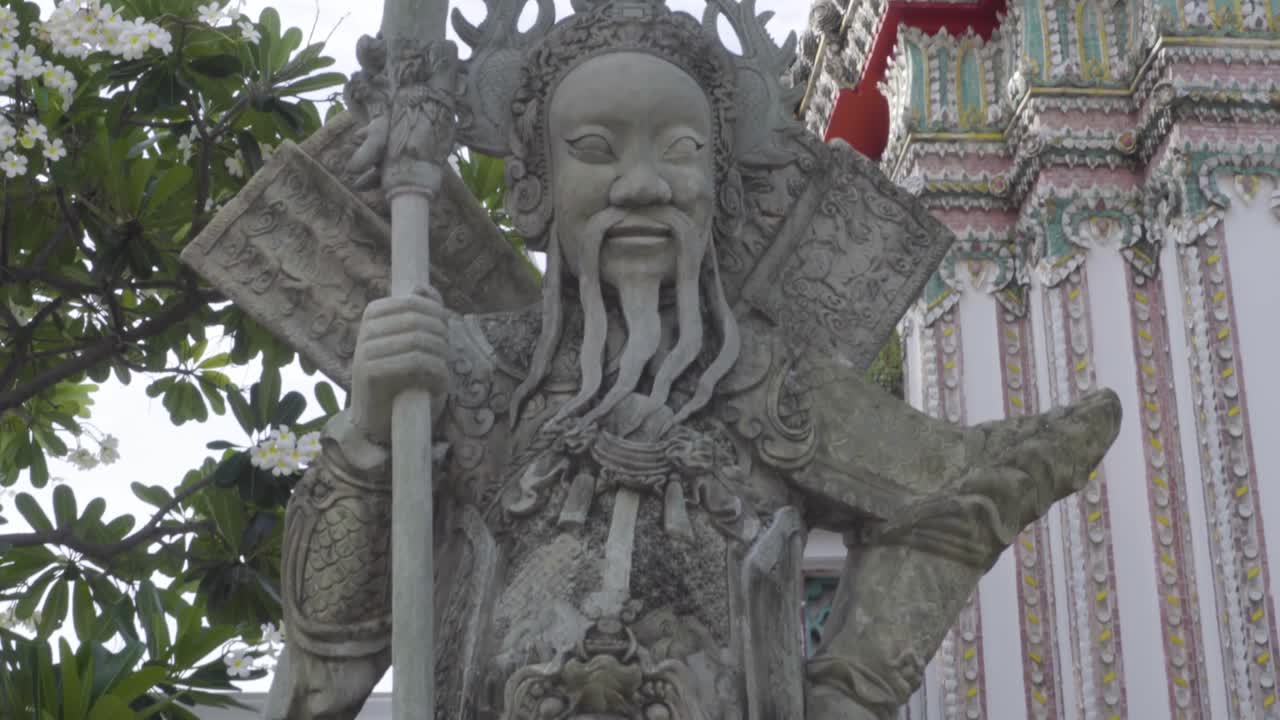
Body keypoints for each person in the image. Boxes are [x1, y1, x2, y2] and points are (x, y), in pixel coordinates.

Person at [267, 3, 1121, 718]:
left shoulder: (772, 383)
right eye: (597, 150)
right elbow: (329, 660)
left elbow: (956, 497)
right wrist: (370, 434)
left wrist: (847, 692)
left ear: (722, 186)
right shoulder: (466, 373)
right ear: (533, 185)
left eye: (679, 151)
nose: (643, 184)